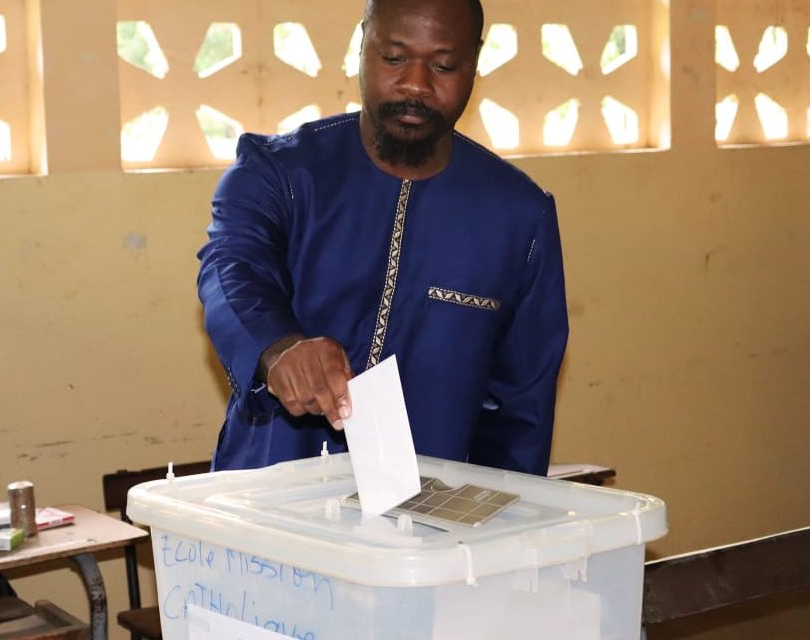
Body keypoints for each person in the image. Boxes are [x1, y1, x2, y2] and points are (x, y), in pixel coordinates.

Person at [197, 0, 568, 475]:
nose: (416, 84)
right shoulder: (278, 174)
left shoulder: (519, 216)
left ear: (475, 65)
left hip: (424, 527)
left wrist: (503, 529)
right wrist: (278, 347)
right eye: (393, 58)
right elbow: (231, 271)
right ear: (361, 46)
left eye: (443, 65)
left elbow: (521, 410)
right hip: (268, 508)